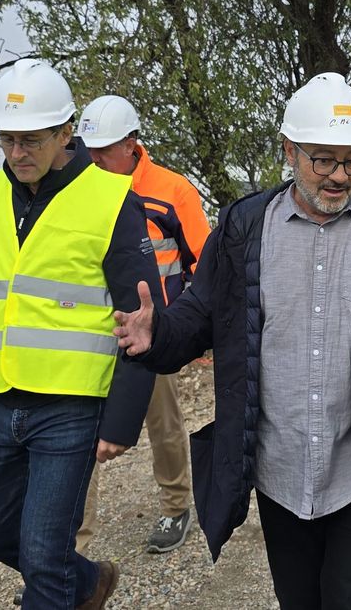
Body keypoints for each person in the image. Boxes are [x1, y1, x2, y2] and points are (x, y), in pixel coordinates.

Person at [112, 72, 351, 610]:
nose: (339, 176)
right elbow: (199, 313)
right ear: (290, 151)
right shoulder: (245, 225)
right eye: (323, 160)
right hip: (279, 470)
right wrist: (159, 332)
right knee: (298, 600)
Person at [0, 59, 160, 610]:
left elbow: (142, 317)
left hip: (71, 408)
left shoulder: (112, 198)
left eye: (31, 140)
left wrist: (122, 418)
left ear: (65, 133)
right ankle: (90, 582)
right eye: (8, 140)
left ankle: (68, 581)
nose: (18, 153)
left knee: (45, 554)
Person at [74, 95, 211, 557]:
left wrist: (190, 326)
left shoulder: (172, 189)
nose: (94, 157)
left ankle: (176, 505)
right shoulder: (76, 190)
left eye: (105, 148)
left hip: (156, 336)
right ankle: (71, 546)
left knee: (163, 424)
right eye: (88, 148)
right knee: (74, 434)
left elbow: (206, 263)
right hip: (91, 334)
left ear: (132, 143)